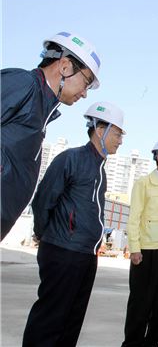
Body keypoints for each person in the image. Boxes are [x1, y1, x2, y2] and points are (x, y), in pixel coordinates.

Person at [22, 102, 124, 347]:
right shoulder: (71, 158)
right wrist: (45, 235)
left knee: (71, 321)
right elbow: (43, 199)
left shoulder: (100, 169)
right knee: (50, 320)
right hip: (63, 251)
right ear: (101, 129)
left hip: (86, 256)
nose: (120, 140)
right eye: (118, 133)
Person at [1, 32, 101, 240]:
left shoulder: (42, 110)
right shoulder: (23, 84)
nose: (84, 93)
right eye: (86, 82)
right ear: (65, 66)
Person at [122, 139, 158, 347]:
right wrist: (135, 248)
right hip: (146, 251)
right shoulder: (144, 184)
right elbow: (134, 218)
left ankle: (152, 342)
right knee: (140, 302)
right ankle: (132, 343)